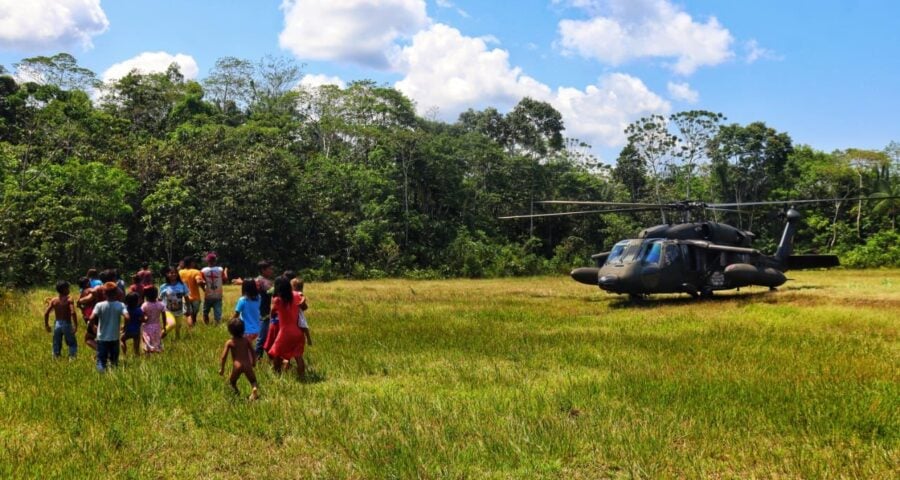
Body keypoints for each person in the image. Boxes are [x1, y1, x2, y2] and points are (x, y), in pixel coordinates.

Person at [268, 276, 307, 377]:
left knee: (277, 354)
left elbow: (272, 312)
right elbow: (301, 296)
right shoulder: (295, 295)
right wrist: (303, 300)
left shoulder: (278, 300)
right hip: (298, 331)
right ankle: (302, 376)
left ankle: (276, 375)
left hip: (285, 332)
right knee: (298, 357)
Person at [91, 282, 128, 372]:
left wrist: (93, 326)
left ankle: (101, 374)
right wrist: (124, 326)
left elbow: (91, 317)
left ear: (104, 293)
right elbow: (127, 317)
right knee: (114, 360)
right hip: (114, 337)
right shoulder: (120, 305)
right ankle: (113, 375)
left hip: (102, 337)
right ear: (116, 293)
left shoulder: (99, 305)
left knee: (101, 360)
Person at [219, 319, 259, 400]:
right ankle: (254, 390)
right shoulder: (246, 340)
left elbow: (223, 357)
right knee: (253, 381)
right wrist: (254, 362)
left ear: (230, 331)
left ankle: (237, 393)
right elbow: (253, 351)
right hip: (247, 364)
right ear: (243, 329)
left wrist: (222, 369)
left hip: (237, 365)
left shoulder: (230, 342)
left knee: (232, 382)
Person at [44, 280, 78, 358]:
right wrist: (76, 326)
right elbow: (73, 312)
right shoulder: (69, 299)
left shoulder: (54, 300)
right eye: (68, 288)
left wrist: (47, 325)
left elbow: (46, 313)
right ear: (64, 289)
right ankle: (72, 359)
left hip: (57, 325)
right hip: (67, 324)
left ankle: (56, 357)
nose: (69, 290)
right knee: (72, 343)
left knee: (56, 343)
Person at [159, 266, 189, 340]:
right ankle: (158, 338)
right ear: (167, 274)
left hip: (179, 310)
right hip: (167, 310)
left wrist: (188, 308)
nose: (174, 274)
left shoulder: (182, 285)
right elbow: (159, 299)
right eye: (171, 273)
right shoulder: (163, 286)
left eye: (175, 273)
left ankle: (177, 341)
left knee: (178, 327)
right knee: (172, 324)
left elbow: (186, 297)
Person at [231, 278, 261, 346]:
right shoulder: (259, 298)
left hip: (246, 330)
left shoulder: (242, 300)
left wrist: (230, 322)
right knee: (251, 348)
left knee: (245, 350)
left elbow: (236, 314)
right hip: (258, 330)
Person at [254, 261, 275, 357]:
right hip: (262, 312)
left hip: (263, 311)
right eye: (269, 269)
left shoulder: (262, 280)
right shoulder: (262, 281)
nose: (271, 271)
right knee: (262, 337)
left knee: (265, 335)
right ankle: (257, 357)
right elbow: (270, 291)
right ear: (263, 270)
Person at [201, 253, 228, 325]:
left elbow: (202, 281)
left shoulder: (203, 270)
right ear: (215, 261)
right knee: (218, 314)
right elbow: (225, 279)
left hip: (208, 295)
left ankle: (206, 325)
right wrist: (225, 271)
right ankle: (217, 325)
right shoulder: (220, 269)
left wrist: (204, 289)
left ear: (207, 261)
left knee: (205, 312)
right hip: (218, 295)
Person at [178, 257, 203, 327]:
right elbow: (198, 281)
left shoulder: (180, 272)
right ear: (191, 263)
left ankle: (191, 328)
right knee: (194, 314)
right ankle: (193, 326)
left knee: (188, 315)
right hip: (196, 298)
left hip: (185, 297)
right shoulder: (196, 271)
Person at [290, 277, 313, 350]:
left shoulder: (298, 293)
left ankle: (308, 339)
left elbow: (303, 298)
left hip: (298, 312)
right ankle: (307, 338)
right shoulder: (293, 293)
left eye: (292, 285)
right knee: (303, 325)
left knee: (303, 324)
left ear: (295, 286)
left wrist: (301, 303)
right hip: (296, 311)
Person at [141, 285, 165, 353]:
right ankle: (157, 350)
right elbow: (164, 316)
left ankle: (148, 351)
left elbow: (142, 316)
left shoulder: (145, 305)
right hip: (157, 326)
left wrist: (143, 319)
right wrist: (165, 325)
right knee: (157, 339)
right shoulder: (161, 304)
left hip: (147, 326)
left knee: (147, 339)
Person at [122, 292, 143, 356]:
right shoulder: (139, 310)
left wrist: (123, 328)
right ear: (137, 301)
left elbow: (126, 319)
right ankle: (137, 354)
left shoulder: (125, 309)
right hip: (136, 331)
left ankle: (124, 354)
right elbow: (142, 319)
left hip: (128, 330)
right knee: (136, 347)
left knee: (121, 340)